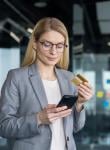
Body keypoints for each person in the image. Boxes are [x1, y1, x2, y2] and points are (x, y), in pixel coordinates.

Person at [0, 17, 93, 150]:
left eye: (59, 46)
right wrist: (38, 118)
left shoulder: (70, 78)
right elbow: (3, 127)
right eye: (47, 44)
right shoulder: (16, 77)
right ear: (35, 44)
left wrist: (80, 103)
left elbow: (76, 127)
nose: (53, 51)